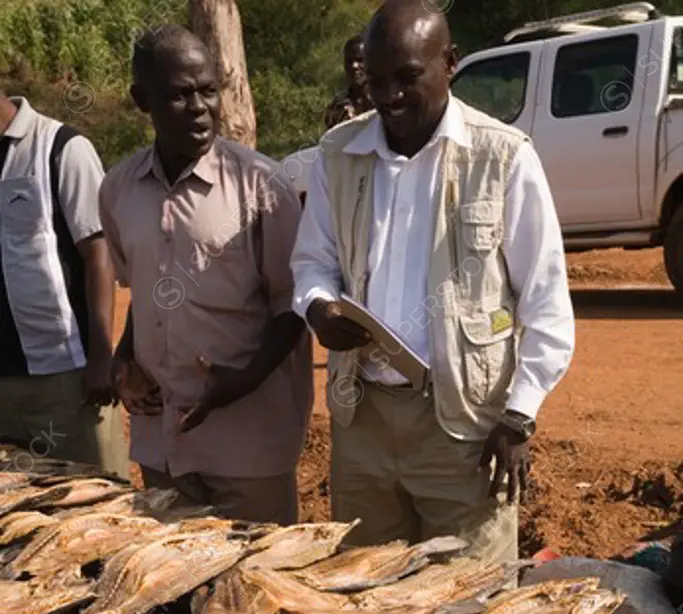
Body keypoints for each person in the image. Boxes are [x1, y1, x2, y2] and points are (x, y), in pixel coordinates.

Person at [291, 0, 575, 561]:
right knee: (365, 593)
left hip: (464, 429)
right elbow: (312, 262)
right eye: (375, 81)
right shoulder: (339, 154)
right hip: (363, 420)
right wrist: (318, 307)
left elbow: (546, 301)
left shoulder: (502, 158)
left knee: (466, 609)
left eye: (407, 77)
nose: (388, 96)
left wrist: (518, 418)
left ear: (450, 63)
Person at [100, 24, 312, 523]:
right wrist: (124, 357)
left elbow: (296, 303)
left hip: (248, 447)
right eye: (179, 94)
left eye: (208, 90)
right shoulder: (118, 190)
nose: (199, 107)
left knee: (256, 587)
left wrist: (243, 381)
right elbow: (144, 295)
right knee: (176, 592)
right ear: (141, 100)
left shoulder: (262, 187)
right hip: (164, 447)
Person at [0, 92, 129, 477]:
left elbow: (98, 253)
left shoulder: (60, 148)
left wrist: (102, 356)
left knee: (96, 508)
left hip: (66, 380)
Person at [324, 34, 375, 130]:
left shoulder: (383, 100)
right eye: (349, 61)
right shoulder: (338, 106)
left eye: (360, 60)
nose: (354, 66)